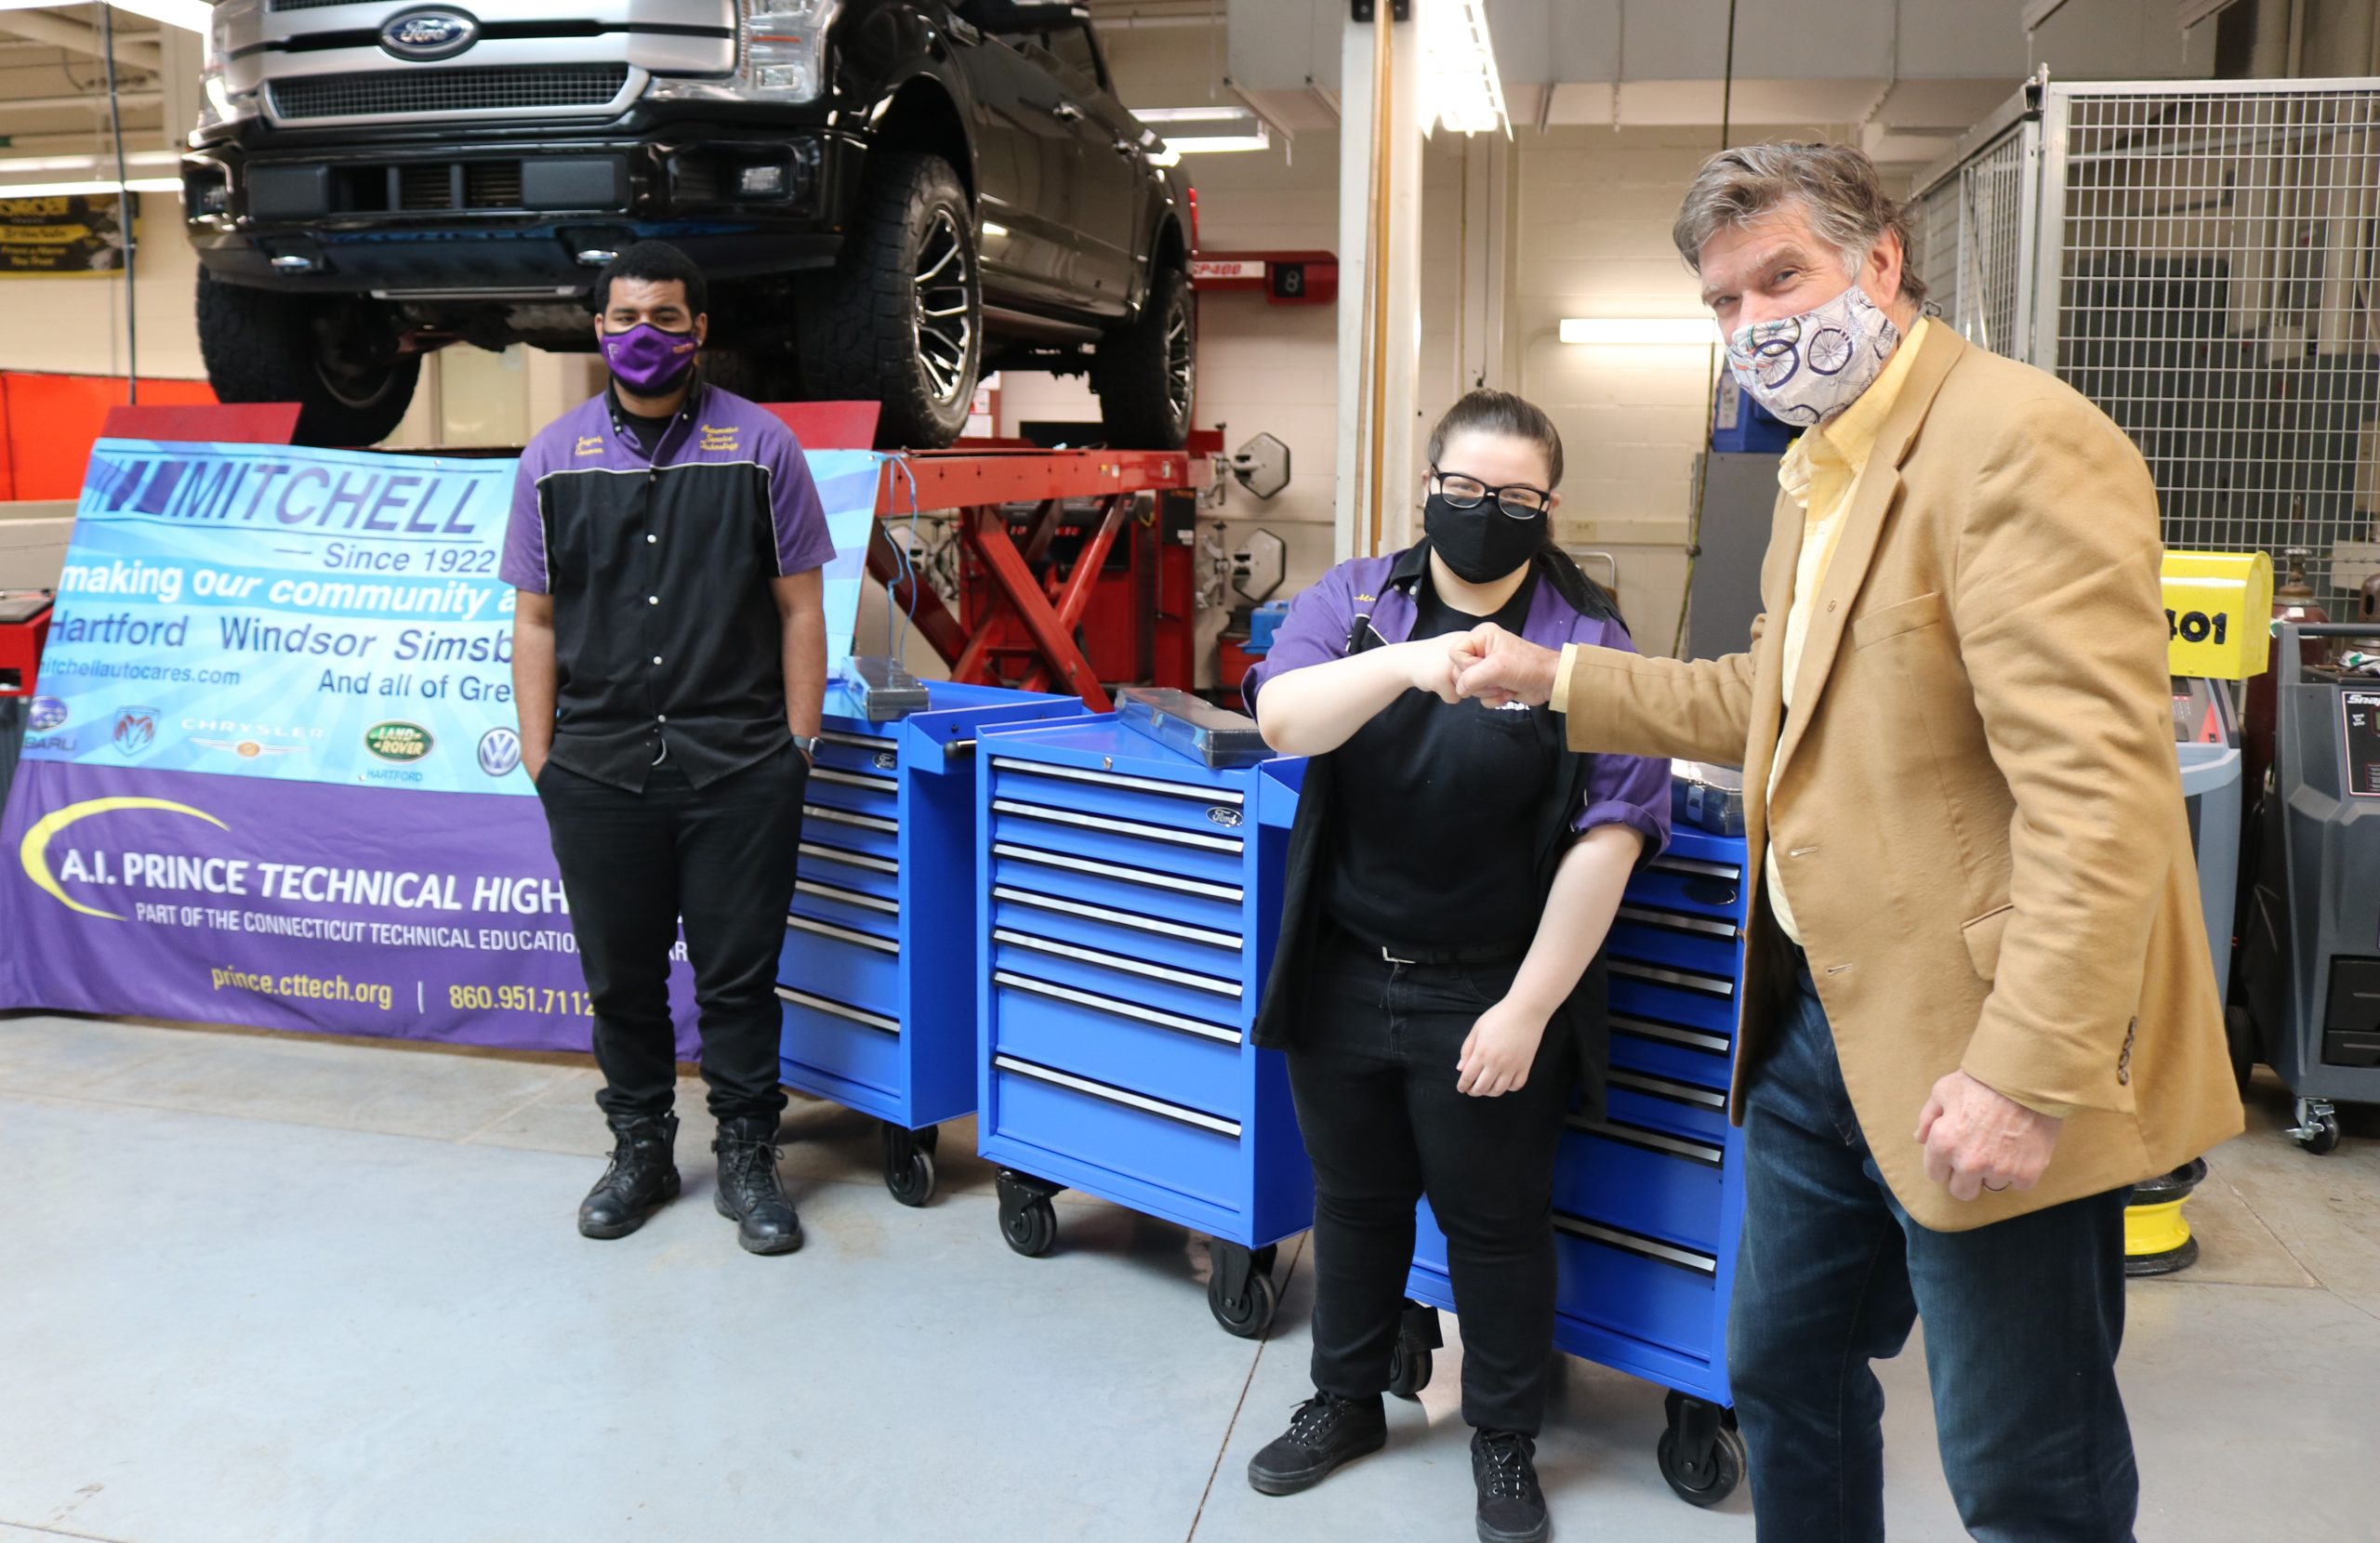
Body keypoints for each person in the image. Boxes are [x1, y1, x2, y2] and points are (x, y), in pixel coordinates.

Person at [1452, 144, 2244, 1541]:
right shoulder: (1822, 474)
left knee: (2025, 1468)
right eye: (1722, 301)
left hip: (1978, 1034)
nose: (1755, 323)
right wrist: (1555, 679)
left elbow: (2098, 794)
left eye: (1783, 279)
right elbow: (1766, 702)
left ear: (1880, 261)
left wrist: (2029, 1067)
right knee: (1783, 1370)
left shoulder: (2017, 443)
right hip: (1819, 1026)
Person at [1239, 389, 1670, 1543]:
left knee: (1495, 1225)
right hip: (1341, 968)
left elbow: (1613, 834)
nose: (1485, 512)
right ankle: (1345, 1402)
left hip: (1488, 984)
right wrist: (1413, 662)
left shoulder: (1588, 635)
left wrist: (1529, 1008)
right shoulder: (1359, 599)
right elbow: (1285, 718)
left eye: (1516, 497)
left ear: (1550, 507)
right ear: (1428, 487)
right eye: (1465, 489)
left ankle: (1502, 1439)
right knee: (1356, 1203)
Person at [501, 240, 833, 1257]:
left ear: (700, 332)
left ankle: (745, 1152)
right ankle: (640, 1148)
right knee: (622, 978)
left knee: (739, 975)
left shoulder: (761, 447)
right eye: (625, 319)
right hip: (596, 770)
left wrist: (798, 746)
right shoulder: (553, 459)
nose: (645, 336)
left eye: (668, 319)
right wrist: (540, 755)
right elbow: (537, 622)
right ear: (598, 330)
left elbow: (800, 607)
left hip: (739, 766)